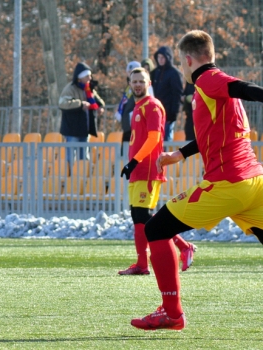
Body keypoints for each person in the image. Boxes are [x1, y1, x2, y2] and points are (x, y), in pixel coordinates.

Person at [131, 30, 263, 331]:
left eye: (180, 62)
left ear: (188, 59)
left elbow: (246, 88)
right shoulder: (215, 88)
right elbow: (214, 134)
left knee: (156, 229)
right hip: (255, 182)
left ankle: (172, 313)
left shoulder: (207, 80)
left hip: (228, 183)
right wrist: (181, 154)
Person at [118, 67, 197, 276]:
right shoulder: (137, 107)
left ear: (149, 84)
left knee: (145, 218)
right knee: (139, 217)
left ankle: (182, 248)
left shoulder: (152, 106)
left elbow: (153, 139)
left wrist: (134, 161)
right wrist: (132, 164)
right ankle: (142, 264)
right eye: (134, 81)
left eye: (141, 81)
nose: (137, 85)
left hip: (147, 169)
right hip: (137, 170)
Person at [58, 63, 105, 169]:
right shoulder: (70, 88)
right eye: (87, 76)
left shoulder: (89, 89)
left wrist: (99, 106)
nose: (90, 78)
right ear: (80, 78)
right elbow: (63, 103)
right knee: (72, 157)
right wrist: (80, 104)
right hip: (72, 129)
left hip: (84, 129)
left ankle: (83, 178)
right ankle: (70, 177)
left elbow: (97, 101)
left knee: (84, 156)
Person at [151, 46, 184, 141]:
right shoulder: (154, 73)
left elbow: (177, 95)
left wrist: (173, 115)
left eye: (163, 57)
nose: (160, 60)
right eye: (159, 57)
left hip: (167, 115)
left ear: (168, 58)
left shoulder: (174, 73)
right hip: (154, 114)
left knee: (166, 141)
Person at [114, 61, 140, 154]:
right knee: (125, 152)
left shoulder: (140, 87)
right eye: (129, 72)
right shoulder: (128, 88)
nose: (130, 74)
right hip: (127, 126)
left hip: (134, 124)